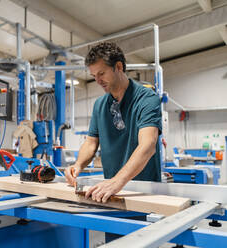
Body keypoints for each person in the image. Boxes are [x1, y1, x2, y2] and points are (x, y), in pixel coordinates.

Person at [65, 42, 162, 203]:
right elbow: (90, 143)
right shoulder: (100, 105)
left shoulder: (147, 99)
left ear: (118, 66)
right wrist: (78, 165)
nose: (98, 80)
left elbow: (148, 145)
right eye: (94, 76)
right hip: (109, 193)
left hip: (144, 194)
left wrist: (118, 181)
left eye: (101, 73)